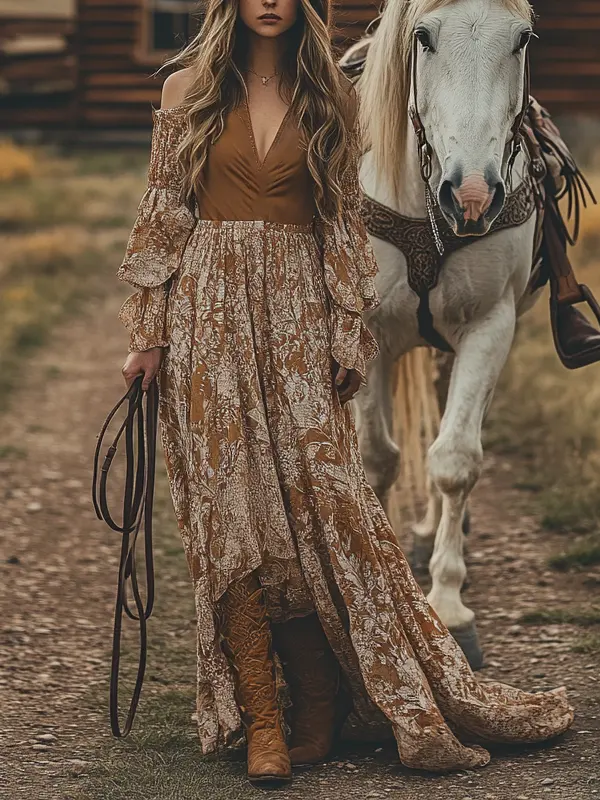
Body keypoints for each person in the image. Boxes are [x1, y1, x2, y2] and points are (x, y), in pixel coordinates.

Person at [117, 0, 573, 786]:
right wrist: (148, 334)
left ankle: (324, 701)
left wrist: (346, 327)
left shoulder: (332, 89)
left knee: (320, 510)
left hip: (298, 312)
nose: (269, 1)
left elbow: (337, 217)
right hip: (205, 317)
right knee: (227, 514)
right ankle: (264, 717)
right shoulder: (185, 88)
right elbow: (165, 213)